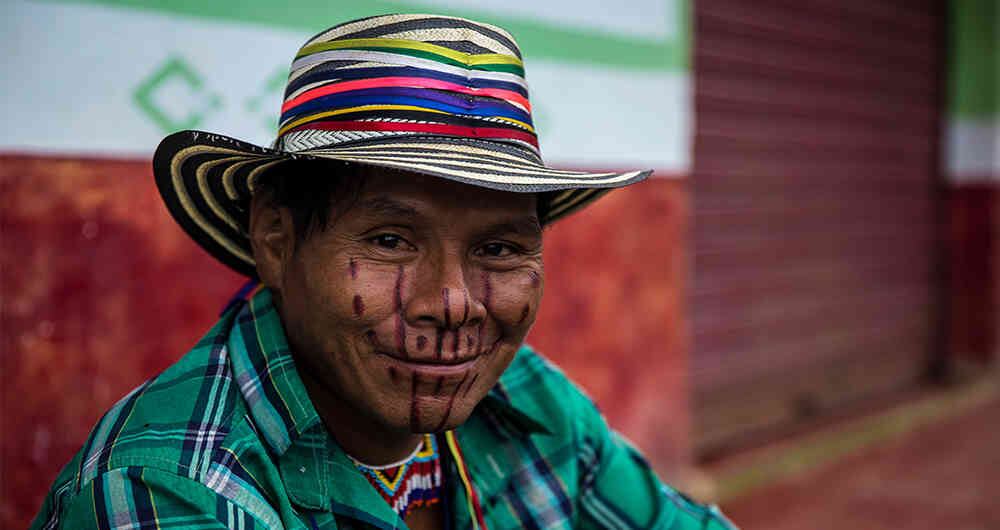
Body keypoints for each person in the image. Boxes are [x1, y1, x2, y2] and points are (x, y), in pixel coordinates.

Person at [32, 14, 736, 530]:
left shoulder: (530, 405)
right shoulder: (173, 489)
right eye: (392, 239)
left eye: (498, 250)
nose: (454, 305)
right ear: (276, 239)